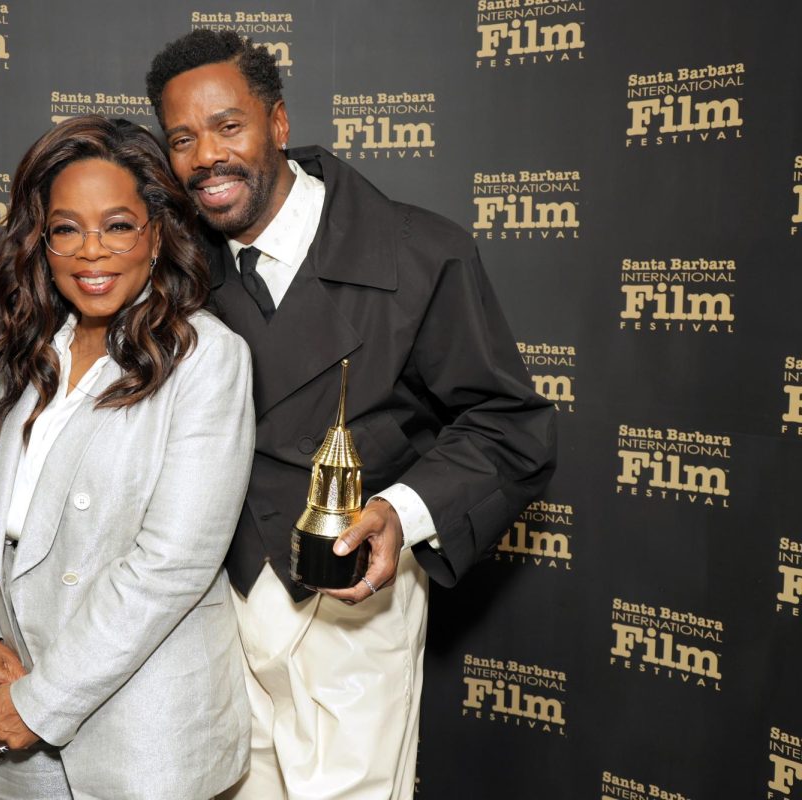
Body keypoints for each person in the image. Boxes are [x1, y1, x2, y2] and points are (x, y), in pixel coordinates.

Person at [146, 31, 558, 800]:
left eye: (227, 126)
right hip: (212, 610)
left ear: (276, 122)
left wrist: (401, 513)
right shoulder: (174, 269)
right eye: (183, 139)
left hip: (351, 606)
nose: (206, 156)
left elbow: (511, 426)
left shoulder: (420, 252)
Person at [0, 115, 254, 800]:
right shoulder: (30, 350)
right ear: (41, 240)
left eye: (117, 226)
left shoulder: (205, 357)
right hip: (11, 701)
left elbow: (173, 563)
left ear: (156, 234)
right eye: (66, 228)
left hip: (141, 732)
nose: (92, 252)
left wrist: (43, 699)